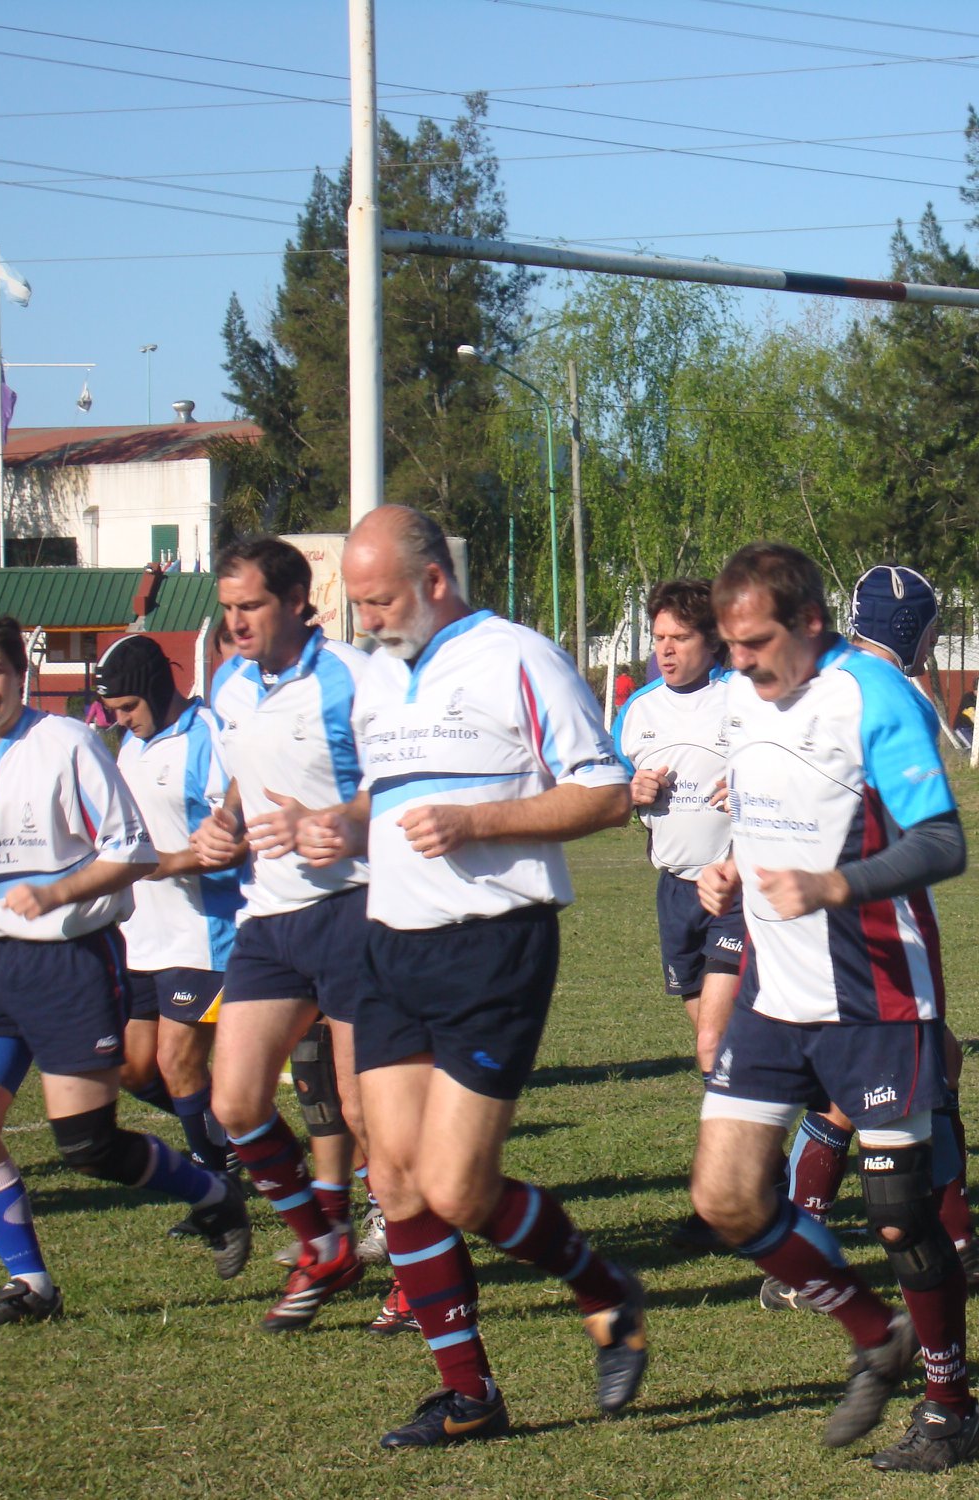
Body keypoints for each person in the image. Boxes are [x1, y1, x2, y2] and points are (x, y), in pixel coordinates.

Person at [292, 506, 648, 1448]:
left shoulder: (519, 658)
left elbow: (607, 793)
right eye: (358, 604)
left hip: (492, 946)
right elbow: (387, 795)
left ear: (435, 581)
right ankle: (470, 1395)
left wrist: (477, 822)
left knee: (455, 1187)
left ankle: (604, 1288)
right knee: (396, 1181)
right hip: (388, 945)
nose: (366, 620)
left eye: (378, 601)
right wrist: (340, 823)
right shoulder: (377, 677)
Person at [689, 543, 979, 1473]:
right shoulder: (743, 694)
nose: (740, 663)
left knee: (898, 1216)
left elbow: (942, 843)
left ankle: (949, 1409)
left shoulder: (875, 696)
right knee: (725, 1197)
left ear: (811, 622)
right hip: (775, 996)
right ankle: (872, 1332)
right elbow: (772, 805)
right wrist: (731, 865)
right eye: (730, 646)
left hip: (877, 997)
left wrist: (835, 885)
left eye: (755, 643)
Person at [0, 612, 250, 1326]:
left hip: (70, 961)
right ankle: (31, 1284)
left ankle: (213, 1194)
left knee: (87, 1146)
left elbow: (131, 852)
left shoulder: (67, 743)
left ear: (20, 675)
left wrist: (55, 894)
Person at [762, 564, 979, 1308]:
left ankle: (821, 1249)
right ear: (913, 628)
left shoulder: (810, 685)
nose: (936, 641)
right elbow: (923, 831)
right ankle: (836, 1254)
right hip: (880, 915)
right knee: (909, 1072)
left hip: (814, 912)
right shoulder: (893, 695)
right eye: (934, 628)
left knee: (908, 1069)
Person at [192, 535, 378, 1333]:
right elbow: (243, 771)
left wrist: (335, 820)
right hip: (268, 918)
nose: (236, 623)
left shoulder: (354, 678)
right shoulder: (229, 682)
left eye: (251, 606)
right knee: (235, 1102)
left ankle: (418, 1265)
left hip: (355, 908)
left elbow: (400, 785)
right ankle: (324, 1246)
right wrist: (224, 821)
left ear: (300, 603)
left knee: (368, 1113)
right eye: (228, 608)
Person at [95, 635, 246, 1237]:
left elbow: (238, 840)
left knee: (177, 1061)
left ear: (157, 690)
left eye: (128, 706)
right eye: (114, 711)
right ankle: (234, 1142)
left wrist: (164, 864)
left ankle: (215, 1188)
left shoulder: (210, 737)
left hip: (205, 932)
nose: (121, 720)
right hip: (142, 934)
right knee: (134, 1070)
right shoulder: (131, 745)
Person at [611, 578, 743, 1252]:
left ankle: (726, 1199)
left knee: (713, 1044)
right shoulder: (637, 712)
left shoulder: (742, 699)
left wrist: (748, 787)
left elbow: (789, 772)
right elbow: (606, 789)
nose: (665, 650)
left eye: (680, 638)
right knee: (720, 1054)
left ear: (710, 641)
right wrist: (631, 792)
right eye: (659, 638)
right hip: (675, 892)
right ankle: (777, 1164)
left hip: (735, 890)